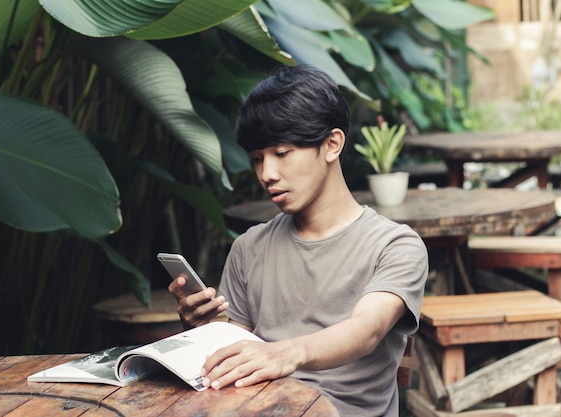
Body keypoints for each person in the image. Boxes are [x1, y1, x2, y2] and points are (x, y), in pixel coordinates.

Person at [168, 64, 428, 416]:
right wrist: (202, 329)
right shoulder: (249, 247)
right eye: (258, 159)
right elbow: (236, 350)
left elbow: (366, 330)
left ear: (332, 144)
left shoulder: (395, 246)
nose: (267, 174)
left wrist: (284, 354)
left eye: (281, 153)